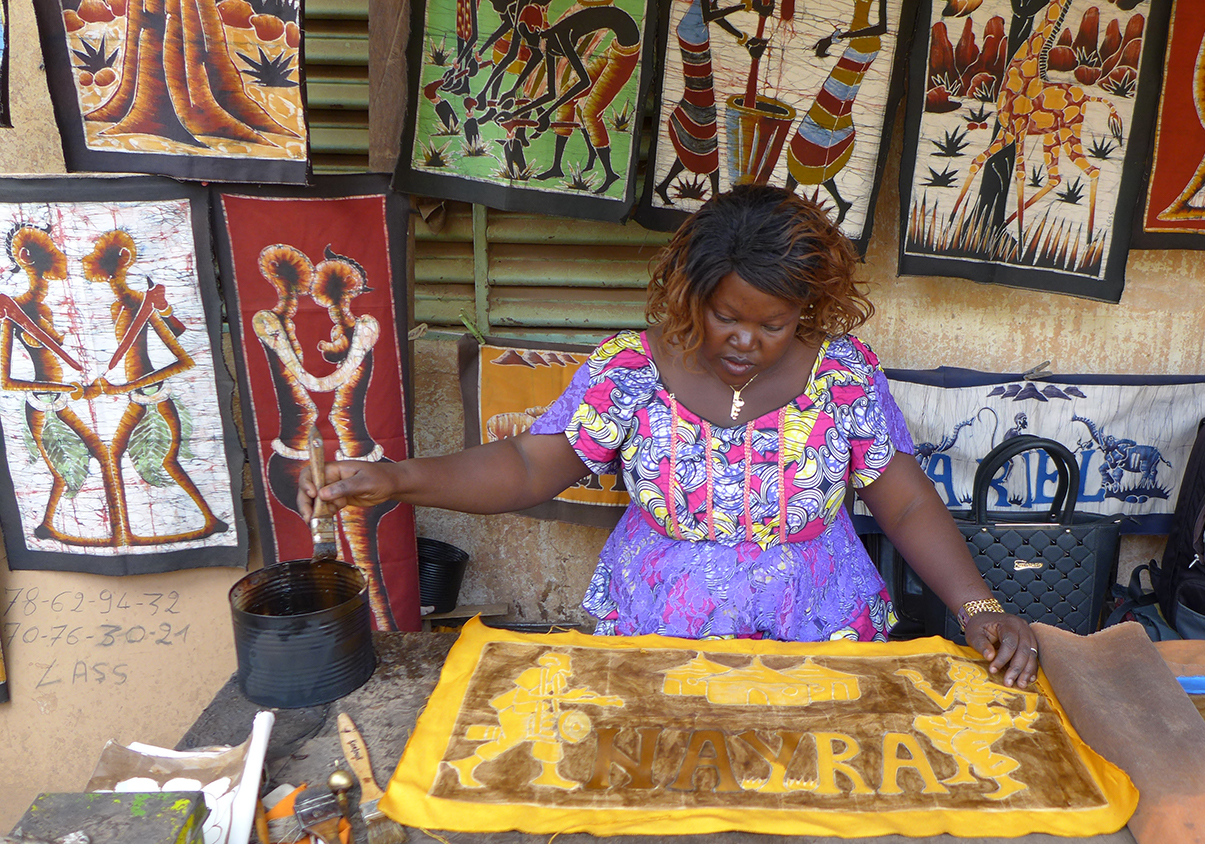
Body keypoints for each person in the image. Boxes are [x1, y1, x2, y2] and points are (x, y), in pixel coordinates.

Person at [299, 185, 1040, 687]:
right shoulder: (629, 370)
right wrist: (395, 478)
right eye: (727, 315)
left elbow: (904, 503)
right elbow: (529, 465)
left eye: (773, 324)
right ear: (693, 291)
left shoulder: (843, 376)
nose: (746, 340)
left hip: (818, 634)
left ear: (808, 310)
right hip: (660, 634)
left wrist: (979, 607)